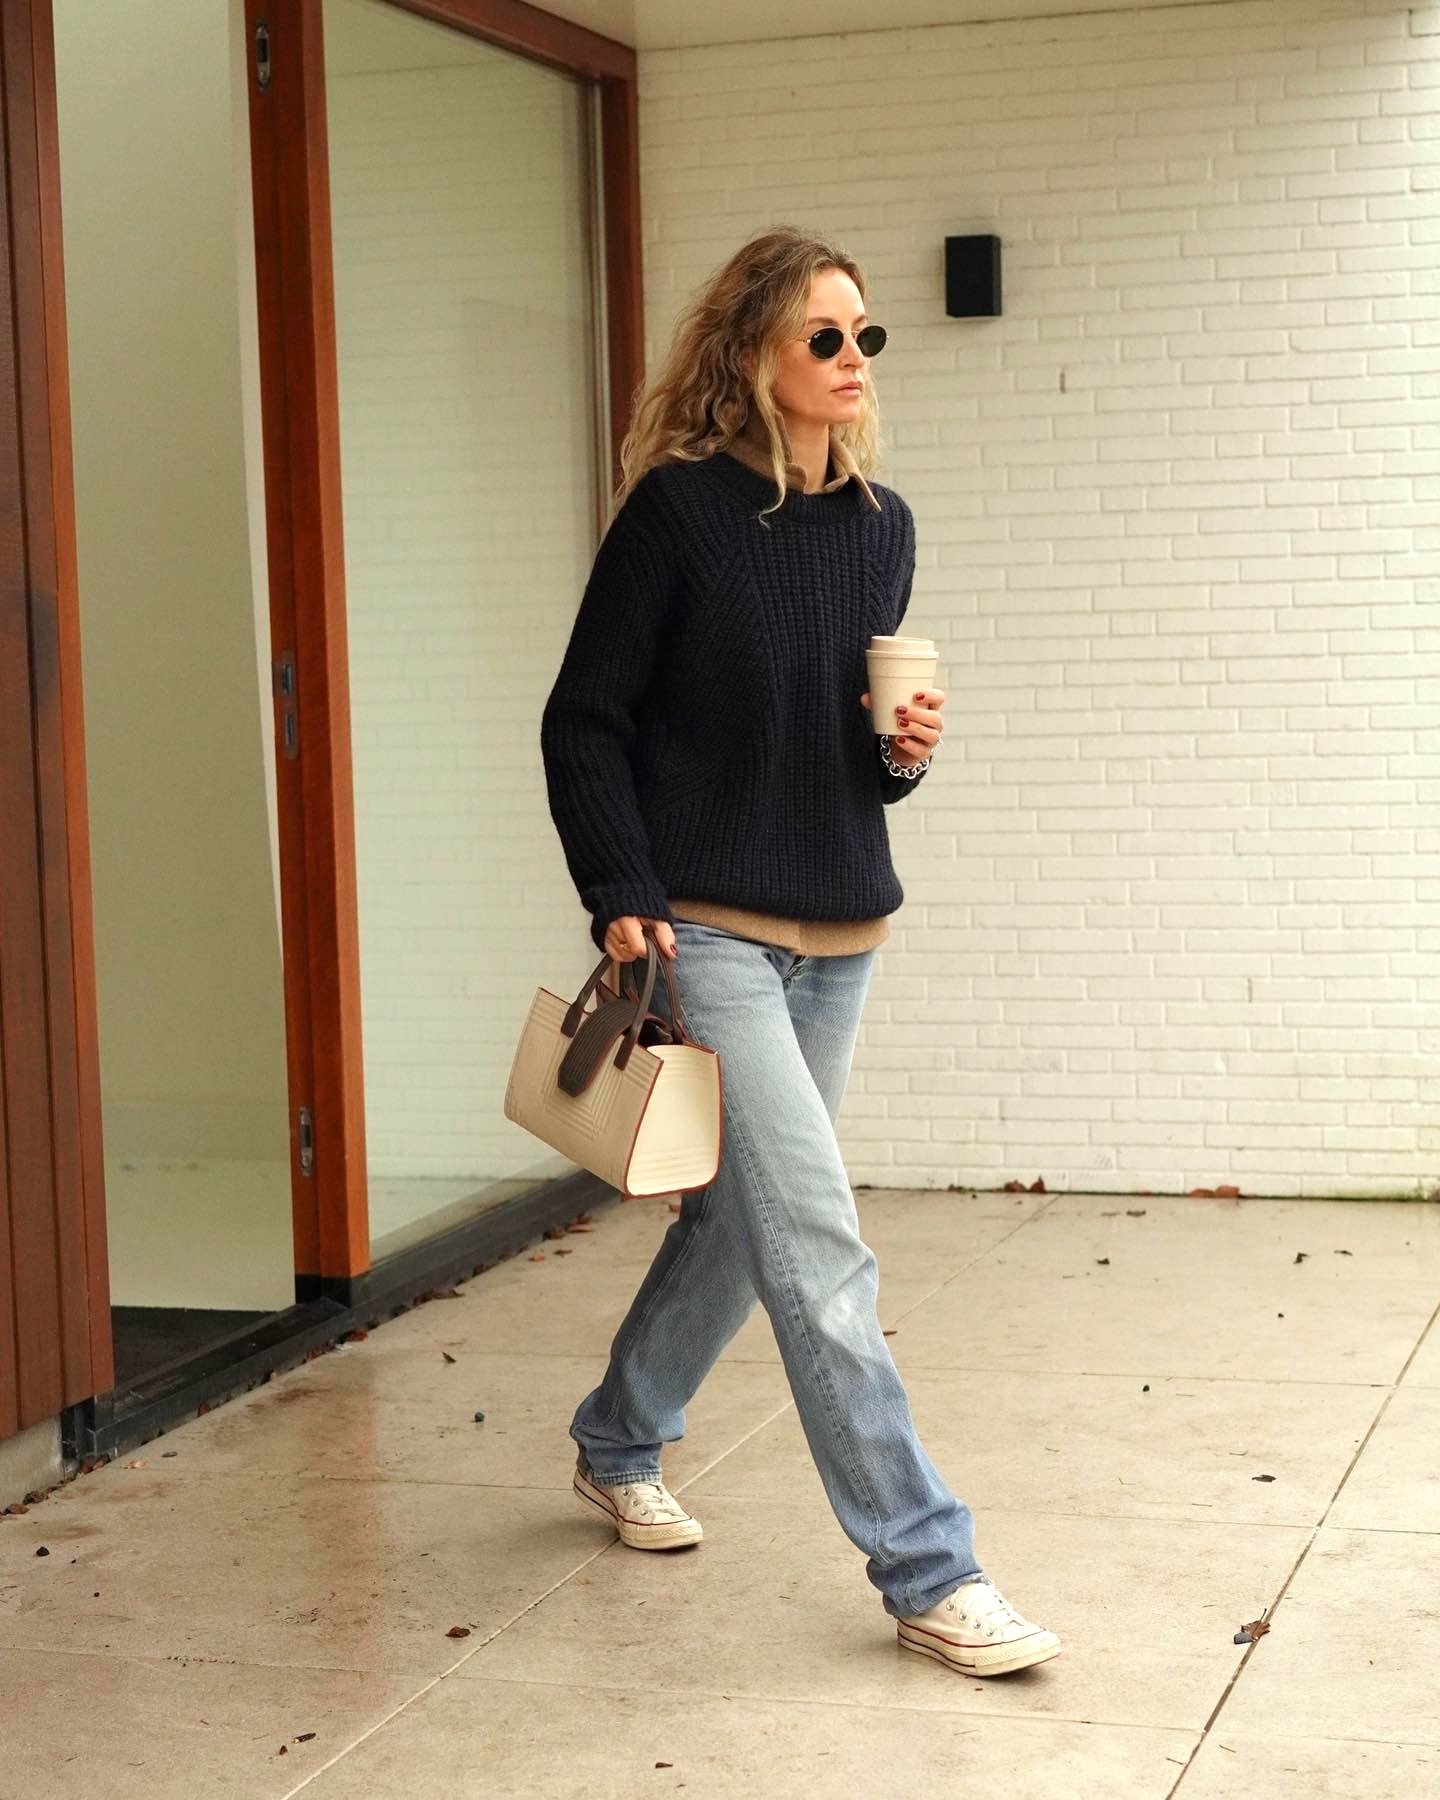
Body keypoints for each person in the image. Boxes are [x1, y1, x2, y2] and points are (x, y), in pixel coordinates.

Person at [539, 227, 1059, 1679]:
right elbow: (585, 718)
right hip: (705, 925)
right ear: (753, 354)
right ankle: (929, 1568)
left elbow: (844, 747)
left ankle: (616, 1435)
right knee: (819, 1247)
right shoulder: (682, 516)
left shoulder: (881, 527)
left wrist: (902, 756)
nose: (851, 360)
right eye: (823, 336)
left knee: (737, 1218)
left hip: (844, 925)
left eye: (864, 337)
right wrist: (620, 889)